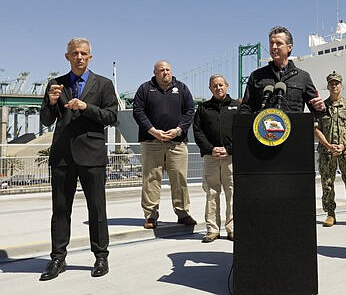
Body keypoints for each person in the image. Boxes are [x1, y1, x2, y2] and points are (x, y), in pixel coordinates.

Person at [39, 37, 118, 281]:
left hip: (92, 155)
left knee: (97, 208)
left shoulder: (103, 84)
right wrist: (52, 102)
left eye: (84, 53)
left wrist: (86, 107)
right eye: (75, 53)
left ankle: (101, 256)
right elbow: (45, 119)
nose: (79, 57)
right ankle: (58, 258)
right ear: (67, 57)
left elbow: (112, 116)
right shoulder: (56, 84)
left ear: (90, 57)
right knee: (60, 210)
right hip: (63, 156)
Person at [133, 60, 197, 229]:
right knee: (151, 178)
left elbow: (190, 111)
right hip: (151, 141)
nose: (165, 73)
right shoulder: (145, 89)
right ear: (155, 72)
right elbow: (138, 111)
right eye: (161, 70)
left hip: (176, 141)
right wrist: (152, 130)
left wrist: (178, 130)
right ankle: (151, 215)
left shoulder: (182, 88)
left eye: (168, 69)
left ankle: (183, 213)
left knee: (179, 178)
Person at [314, 71, 346, 227]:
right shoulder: (321, 108)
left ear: (341, 86)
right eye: (331, 83)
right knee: (327, 182)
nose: (334, 85)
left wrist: (344, 144)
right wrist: (329, 146)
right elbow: (316, 129)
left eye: (337, 83)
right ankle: (330, 214)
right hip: (327, 151)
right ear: (328, 86)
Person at [193, 74, 240, 243]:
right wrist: (210, 149)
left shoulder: (237, 106)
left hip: (231, 157)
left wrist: (229, 150)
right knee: (212, 193)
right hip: (211, 157)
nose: (218, 88)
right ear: (210, 88)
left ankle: (232, 228)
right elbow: (198, 132)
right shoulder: (203, 108)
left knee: (232, 193)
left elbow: (241, 132)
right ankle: (212, 229)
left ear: (227, 86)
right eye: (215, 86)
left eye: (221, 85)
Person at [240, 26, 325, 113]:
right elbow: (245, 108)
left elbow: (316, 110)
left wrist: (321, 108)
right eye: (271, 43)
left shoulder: (303, 77)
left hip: (294, 126)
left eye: (278, 43)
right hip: (263, 126)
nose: (274, 47)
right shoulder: (256, 76)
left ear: (289, 47)